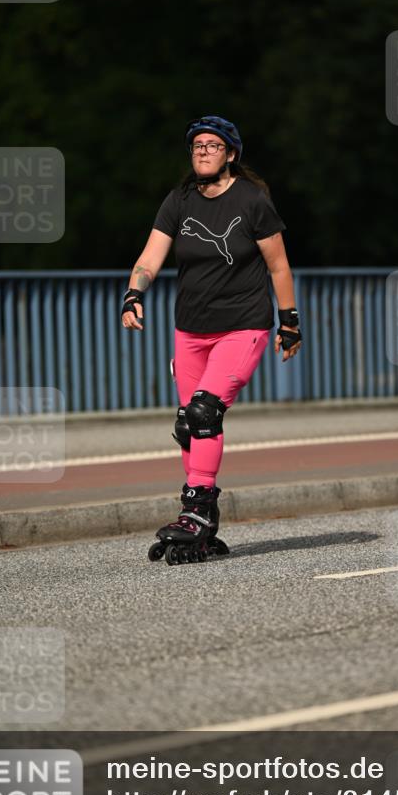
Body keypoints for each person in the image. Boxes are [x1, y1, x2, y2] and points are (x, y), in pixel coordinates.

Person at [121, 116, 302, 563]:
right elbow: (151, 254)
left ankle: (194, 510)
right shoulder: (178, 201)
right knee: (189, 425)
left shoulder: (252, 201)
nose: (202, 151)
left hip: (243, 326)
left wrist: (289, 322)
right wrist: (133, 293)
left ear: (231, 154)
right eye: (197, 145)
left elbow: (278, 265)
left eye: (212, 145)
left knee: (205, 411)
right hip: (190, 330)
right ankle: (204, 523)